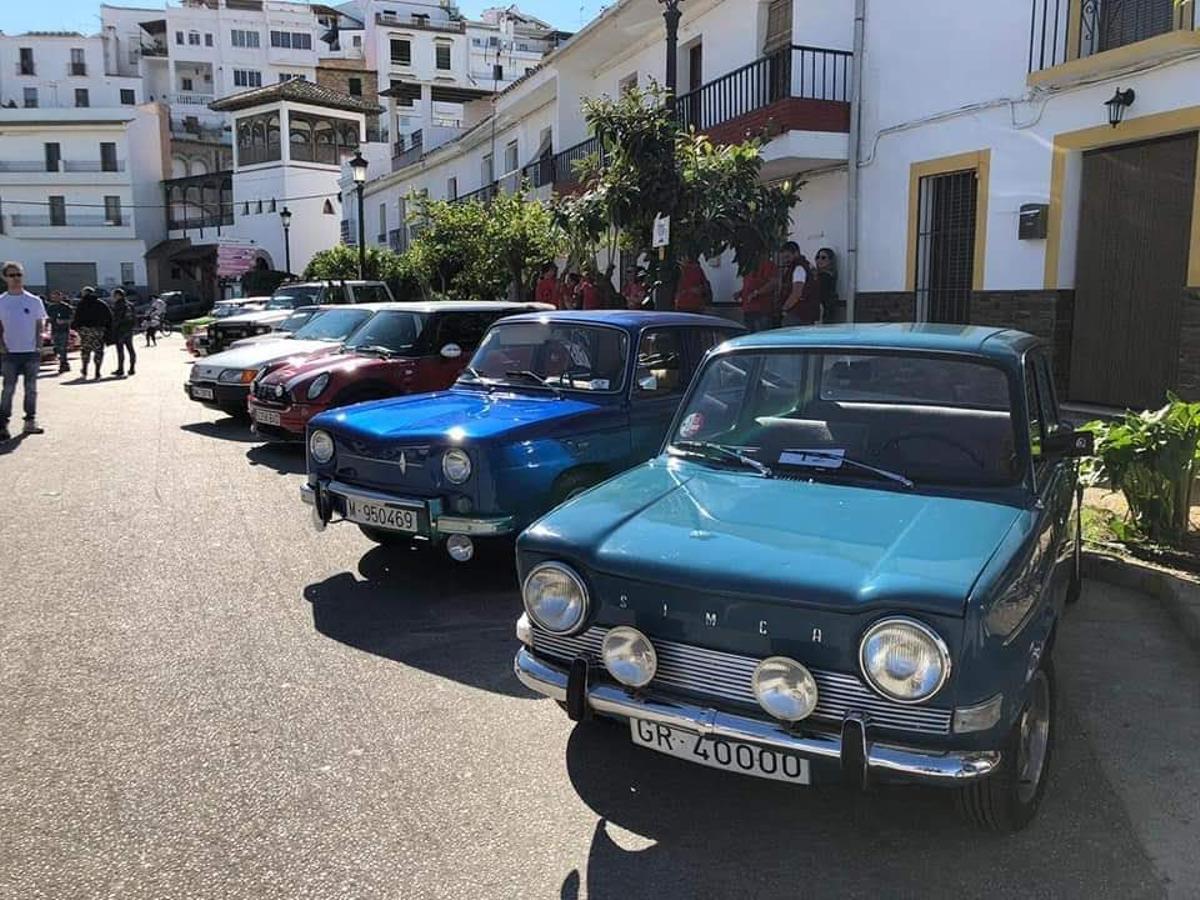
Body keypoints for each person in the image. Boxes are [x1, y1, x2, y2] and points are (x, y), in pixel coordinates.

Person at [0, 262, 47, 440]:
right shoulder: (1, 302)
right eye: (12, 275)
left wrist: (39, 344)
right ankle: (2, 424)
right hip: (9, 352)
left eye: (18, 274)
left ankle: (30, 421)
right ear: (5, 278)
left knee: (31, 389)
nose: (16, 278)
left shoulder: (33, 301)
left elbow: (39, 324)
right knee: (8, 389)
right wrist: (2, 346)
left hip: (31, 351)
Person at [72, 286, 113, 380]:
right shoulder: (101, 304)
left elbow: (77, 317)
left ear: (85, 293)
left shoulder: (82, 304)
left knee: (85, 351)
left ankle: (85, 370)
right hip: (98, 331)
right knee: (98, 351)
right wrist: (108, 330)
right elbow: (109, 317)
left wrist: (77, 328)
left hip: (85, 331)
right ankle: (97, 372)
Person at [735, 255, 779, 332]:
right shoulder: (749, 267)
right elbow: (749, 285)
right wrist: (741, 293)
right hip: (748, 309)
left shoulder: (768, 264)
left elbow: (773, 283)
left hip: (761, 310)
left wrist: (757, 293)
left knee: (761, 336)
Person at [779, 241, 818, 326]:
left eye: (787, 257)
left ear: (796, 253)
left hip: (798, 314)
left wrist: (784, 308)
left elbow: (796, 293)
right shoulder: (806, 266)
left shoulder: (798, 268)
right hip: (806, 313)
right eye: (783, 258)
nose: (786, 261)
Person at [45, 290, 75, 373]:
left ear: (61, 297)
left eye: (57, 296)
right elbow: (48, 318)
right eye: (53, 297)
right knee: (56, 348)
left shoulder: (66, 307)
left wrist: (64, 321)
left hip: (64, 330)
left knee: (63, 348)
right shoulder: (51, 307)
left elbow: (72, 319)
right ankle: (64, 362)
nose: (55, 298)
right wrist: (46, 326)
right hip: (54, 330)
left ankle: (63, 364)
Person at [110, 288, 137, 377]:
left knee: (120, 350)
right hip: (129, 330)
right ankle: (132, 368)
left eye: (114, 295)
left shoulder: (118, 305)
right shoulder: (130, 304)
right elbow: (134, 317)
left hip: (120, 330)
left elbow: (116, 319)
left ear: (118, 295)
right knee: (130, 349)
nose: (113, 297)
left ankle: (120, 369)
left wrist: (113, 329)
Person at [814, 247, 839, 324]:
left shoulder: (825, 277)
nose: (819, 260)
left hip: (824, 310)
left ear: (830, 260)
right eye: (817, 257)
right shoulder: (823, 276)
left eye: (823, 258)